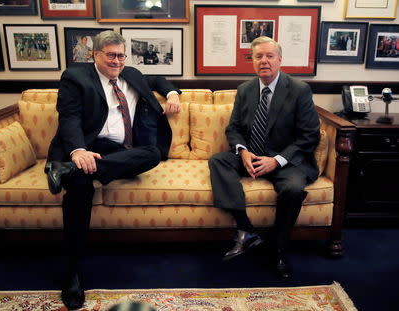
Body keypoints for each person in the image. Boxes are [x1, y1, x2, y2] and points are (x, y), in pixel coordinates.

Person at [44, 30, 181, 310]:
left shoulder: (130, 73)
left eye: (121, 55)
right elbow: (69, 118)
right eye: (111, 55)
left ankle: (70, 171)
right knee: (80, 191)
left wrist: (173, 92)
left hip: (117, 152)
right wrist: (78, 151)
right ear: (95, 55)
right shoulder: (75, 77)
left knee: (152, 153)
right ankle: (73, 272)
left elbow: (156, 79)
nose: (117, 61)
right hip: (86, 145)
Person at [208, 36, 320, 280]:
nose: (264, 61)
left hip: (286, 160)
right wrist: (243, 151)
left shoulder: (299, 90)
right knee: (218, 161)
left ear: (280, 60)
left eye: (270, 56)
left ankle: (279, 251)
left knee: (292, 190)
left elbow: (310, 136)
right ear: (252, 61)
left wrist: (277, 160)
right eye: (259, 56)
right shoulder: (245, 89)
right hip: (252, 155)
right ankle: (246, 229)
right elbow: (234, 128)